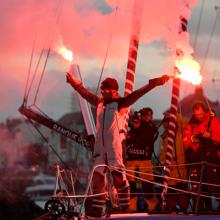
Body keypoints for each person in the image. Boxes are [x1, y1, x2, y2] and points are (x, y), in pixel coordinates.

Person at [66, 71, 170, 217]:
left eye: (106, 90)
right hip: (100, 149)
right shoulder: (100, 103)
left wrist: (155, 82)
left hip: (114, 147)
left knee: (118, 177)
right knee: (97, 179)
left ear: (114, 92)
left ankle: (125, 207)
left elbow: (138, 93)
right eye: (102, 89)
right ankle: (97, 209)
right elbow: (85, 94)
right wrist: (74, 83)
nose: (102, 92)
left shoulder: (120, 104)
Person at [183, 102, 220, 212]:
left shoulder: (212, 121)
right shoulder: (191, 124)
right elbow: (185, 141)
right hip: (197, 159)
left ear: (205, 111)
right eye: (196, 114)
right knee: (197, 185)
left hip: (212, 158)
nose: (199, 116)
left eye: (200, 114)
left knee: (213, 184)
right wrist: (192, 139)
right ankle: (200, 207)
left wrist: (210, 136)